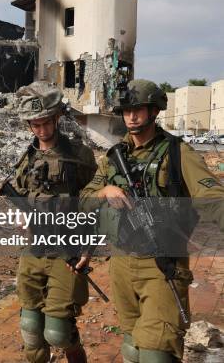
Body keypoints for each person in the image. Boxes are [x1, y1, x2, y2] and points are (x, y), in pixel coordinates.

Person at [79, 79, 224, 362]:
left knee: (157, 354)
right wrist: (104, 191)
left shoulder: (177, 152)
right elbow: (84, 199)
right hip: (121, 263)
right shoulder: (113, 158)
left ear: (155, 111)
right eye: (126, 110)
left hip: (162, 264)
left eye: (139, 109)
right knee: (132, 348)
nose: (131, 116)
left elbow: (211, 197)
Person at [12, 82, 97, 363]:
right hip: (33, 251)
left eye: (46, 122)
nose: (41, 130)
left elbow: (95, 202)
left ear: (57, 118)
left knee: (58, 333)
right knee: (30, 330)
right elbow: (19, 195)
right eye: (34, 124)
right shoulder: (27, 159)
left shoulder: (79, 156)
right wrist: (20, 215)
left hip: (66, 253)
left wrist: (88, 246)